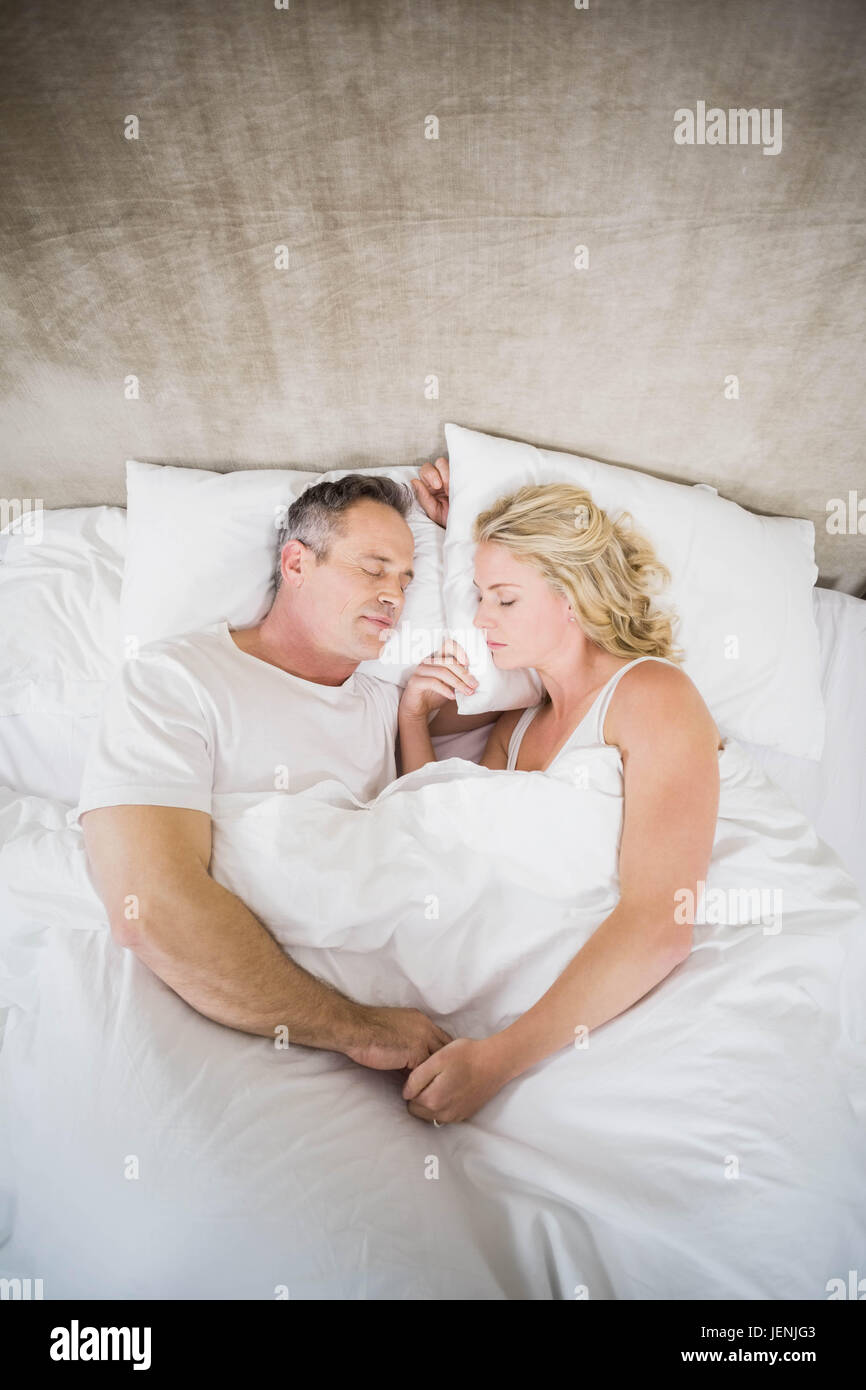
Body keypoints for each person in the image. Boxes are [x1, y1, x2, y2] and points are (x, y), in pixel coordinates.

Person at [78, 471, 491, 1072]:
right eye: (372, 568)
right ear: (296, 563)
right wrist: (358, 1030)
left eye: (405, 579)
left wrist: (472, 530)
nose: (395, 596)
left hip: (387, 1007)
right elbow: (151, 908)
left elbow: (541, 659)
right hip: (246, 1019)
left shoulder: (383, 702)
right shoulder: (175, 680)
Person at [397, 475, 724, 1126]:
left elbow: (663, 922)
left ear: (573, 596)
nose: (481, 619)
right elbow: (438, 840)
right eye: (480, 596)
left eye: (505, 600)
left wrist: (495, 1061)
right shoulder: (514, 729)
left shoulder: (652, 694)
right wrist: (412, 718)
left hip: (608, 995)